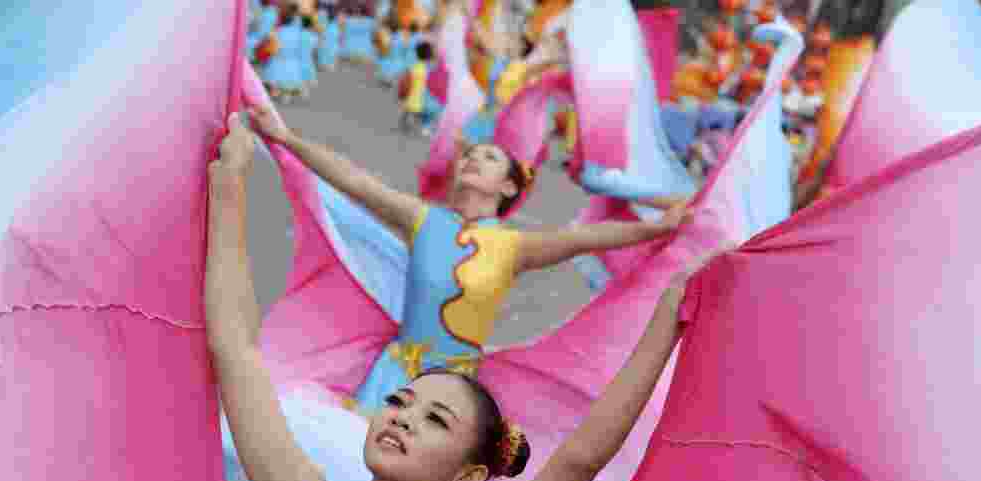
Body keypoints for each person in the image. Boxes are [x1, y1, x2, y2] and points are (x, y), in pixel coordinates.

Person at [207, 110, 720, 481]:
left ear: (469, 475)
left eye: (433, 419)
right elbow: (237, 354)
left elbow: (579, 460)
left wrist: (667, 312)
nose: (400, 418)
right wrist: (231, 183)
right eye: (401, 406)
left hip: (460, 373)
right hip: (389, 367)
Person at [245, 103, 692, 410]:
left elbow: (591, 238)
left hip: (453, 390)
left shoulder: (515, 246)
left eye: (490, 158)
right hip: (391, 376)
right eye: (471, 155)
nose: (474, 160)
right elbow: (352, 179)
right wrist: (283, 137)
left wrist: (656, 228)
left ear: (509, 187)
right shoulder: (422, 219)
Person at [399, 41, 436, 136]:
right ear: (430, 55)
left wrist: (402, 94)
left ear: (416, 53)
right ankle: (425, 127)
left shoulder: (413, 68)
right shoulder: (430, 70)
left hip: (411, 100)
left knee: (409, 110)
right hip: (425, 102)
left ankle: (408, 121)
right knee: (428, 114)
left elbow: (406, 83)